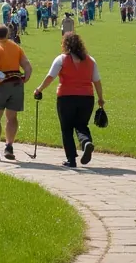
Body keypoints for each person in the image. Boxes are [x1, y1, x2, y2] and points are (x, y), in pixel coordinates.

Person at [33, 32, 105, 167]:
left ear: (65, 44)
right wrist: (101, 98)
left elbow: (50, 77)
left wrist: (39, 89)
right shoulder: (91, 60)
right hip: (87, 98)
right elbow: (97, 81)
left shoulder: (61, 59)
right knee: (81, 125)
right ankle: (86, 142)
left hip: (66, 97)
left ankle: (71, 159)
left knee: (66, 128)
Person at [0, 23, 33, 162]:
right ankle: (9, 147)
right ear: (7, 34)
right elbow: (27, 66)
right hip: (16, 85)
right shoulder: (16, 48)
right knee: (12, 118)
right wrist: (25, 78)